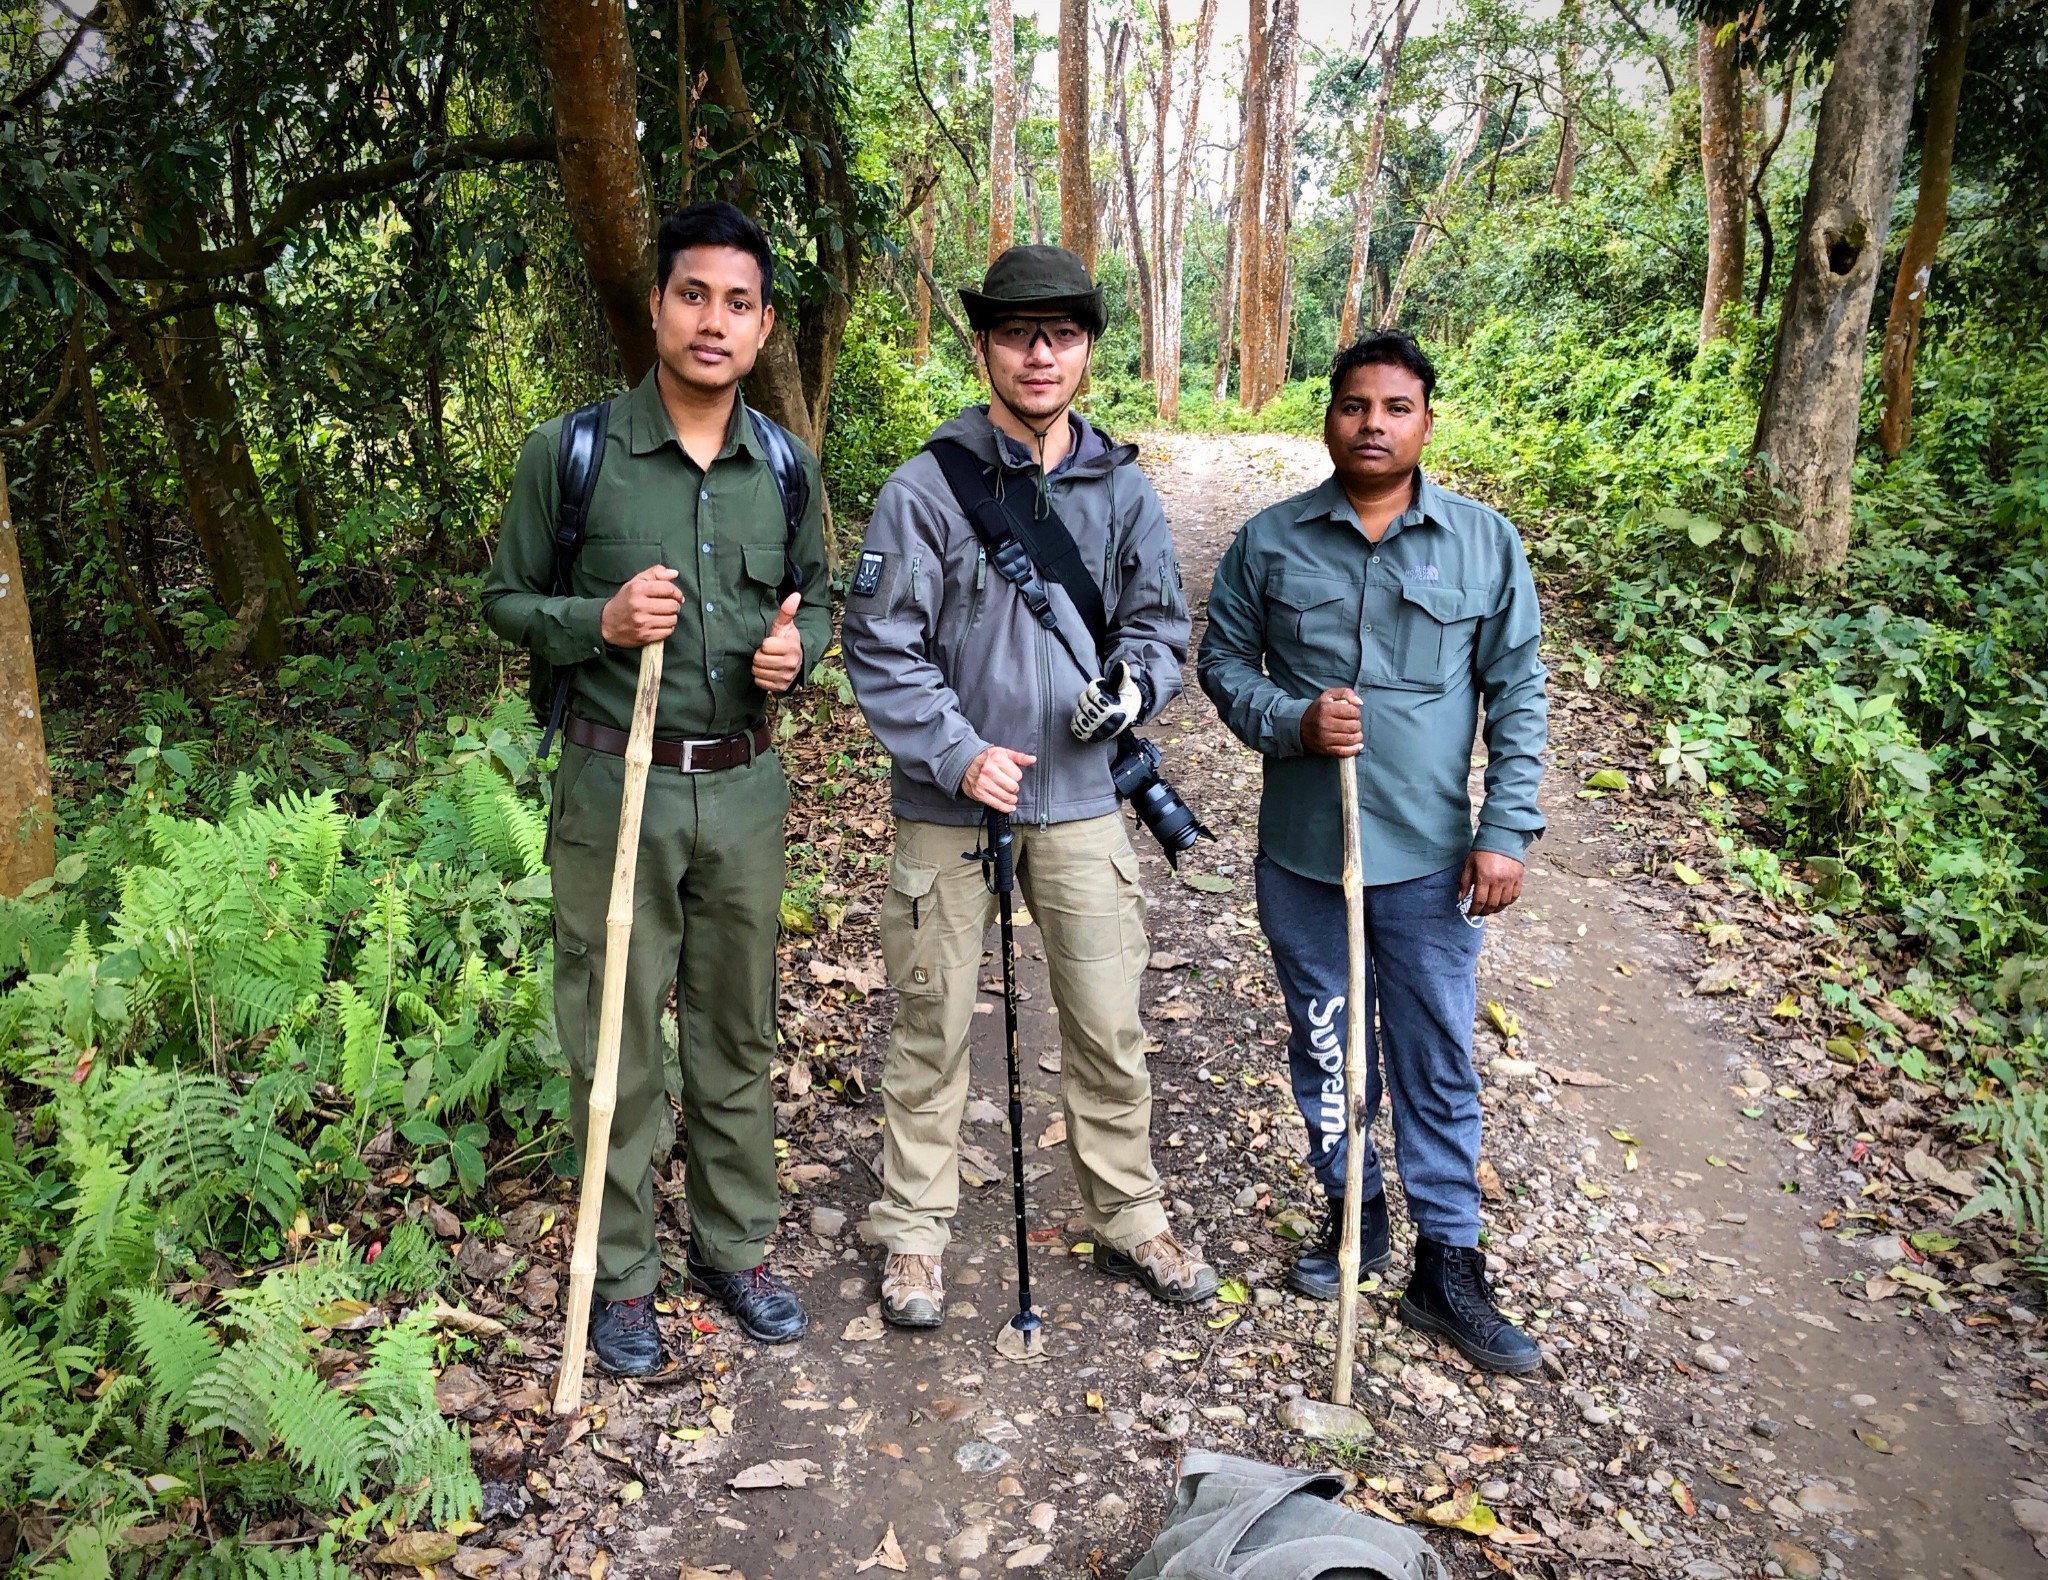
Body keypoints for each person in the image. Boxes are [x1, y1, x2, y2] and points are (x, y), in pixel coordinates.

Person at [841, 244, 1219, 1328]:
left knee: (1105, 1020)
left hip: (1084, 799)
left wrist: (1134, 690)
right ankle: (913, 1231)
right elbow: (881, 646)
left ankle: (1128, 1211)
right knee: (931, 1025)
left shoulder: (1121, 487)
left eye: (1059, 333)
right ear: (985, 346)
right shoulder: (925, 488)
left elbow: (1159, 627)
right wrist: (957, 750)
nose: (1038, 352)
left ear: (1087, 347)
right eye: (1016, 332)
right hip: (948, 810)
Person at [482, 201, 829, 1372]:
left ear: (763, 320)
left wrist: (800, 653)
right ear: (656, 306)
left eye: (738, 301)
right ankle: (620, 1269)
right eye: (694, 294)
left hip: (740, 788)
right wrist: (600, 619)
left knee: (735, 1027)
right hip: (607, 780)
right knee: (616, 1032)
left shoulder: (783, 464)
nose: (713, 320)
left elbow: (818, 599)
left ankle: (734, 1246)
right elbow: (504, 602)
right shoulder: (570, 453)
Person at [1196, 330, 1549, 1374]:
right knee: (1326, 1045)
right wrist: (1290, 719)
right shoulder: (1270, 542)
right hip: (1307, 853)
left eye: (1394, 407)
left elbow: (1517, 693)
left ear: (1424, 420)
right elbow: (1219, 662)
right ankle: (1353, 1213)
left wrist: (1504, 829)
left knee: (1435, 1054)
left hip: (1435, 858)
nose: (1372, 425)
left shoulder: (1483, 543)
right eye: (1353, 406)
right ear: (1327, 418)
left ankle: (1448, 1264)